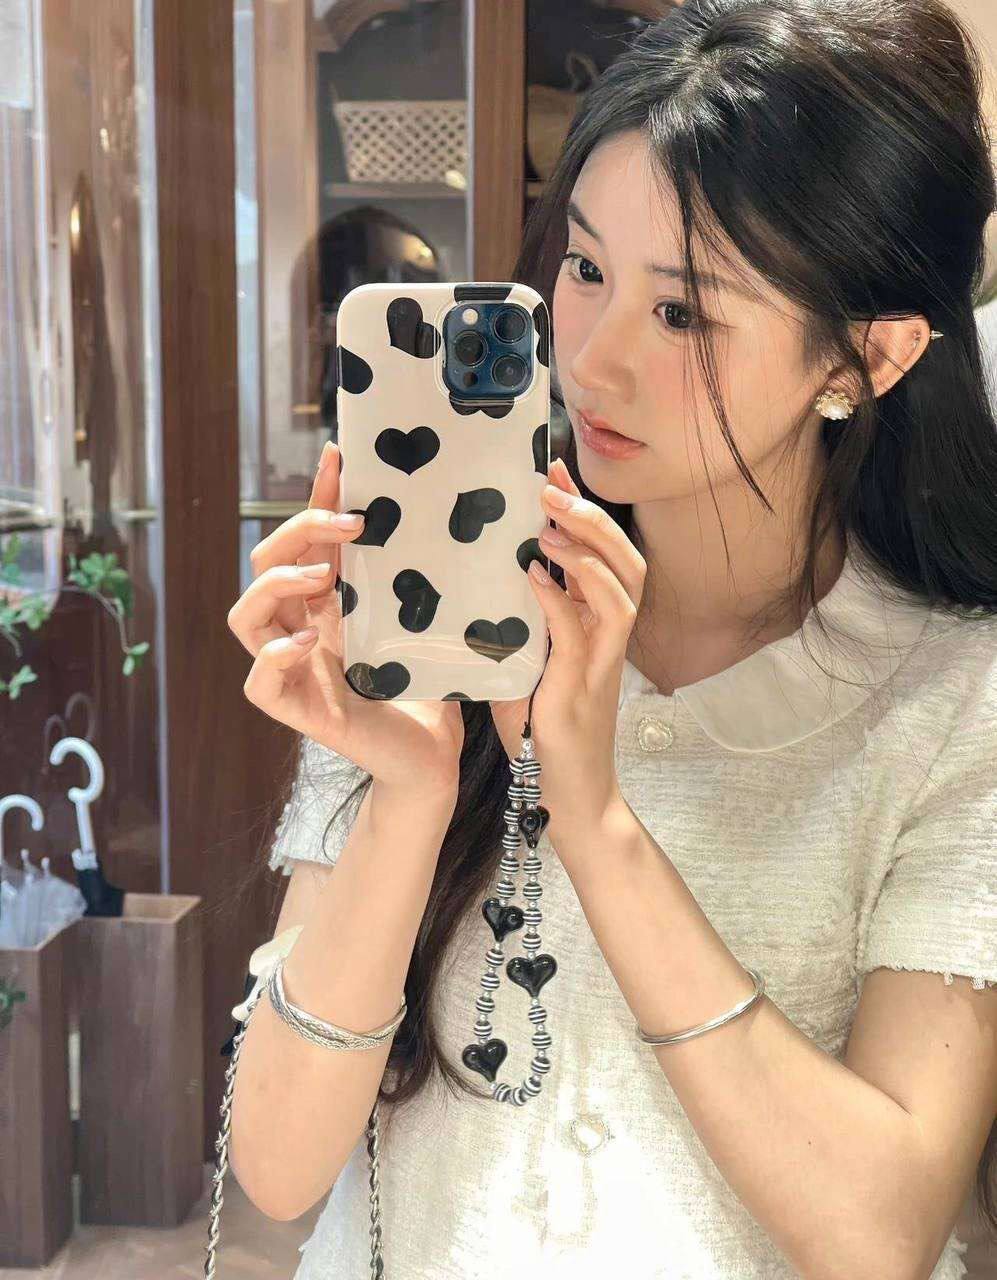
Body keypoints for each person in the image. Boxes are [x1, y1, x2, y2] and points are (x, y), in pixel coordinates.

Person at [224, 1, 997, 1276]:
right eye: (584, 269)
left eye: (684, 314)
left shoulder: (955, 698)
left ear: (866, 355)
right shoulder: (436, 607)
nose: (589, 358)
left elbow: (880, 1232)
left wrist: (593, 816)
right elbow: (276, 1165)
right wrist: (408, 798)